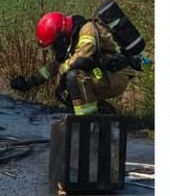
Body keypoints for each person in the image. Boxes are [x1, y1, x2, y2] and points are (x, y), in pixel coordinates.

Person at [9, 10, 139, 116]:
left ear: (62, 35)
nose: (54, 47)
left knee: (73, 77)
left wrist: (62, 72)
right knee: (63, 92)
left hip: (114, 75)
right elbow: (54, 66)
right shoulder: (71, 39)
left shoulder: (87, 30)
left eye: (54, 42)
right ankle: (104, 114)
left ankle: (87, 122)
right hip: (99, 72)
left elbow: (82, 58)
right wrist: (29, 82)